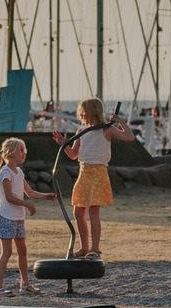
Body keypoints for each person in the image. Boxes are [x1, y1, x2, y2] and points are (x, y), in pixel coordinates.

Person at [53, 98, 135, 258]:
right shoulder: (81, 131)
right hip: (84, 172)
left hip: (98, 173)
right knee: (78, 212)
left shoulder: (107, 130)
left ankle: (95, 249)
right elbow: (74, 155)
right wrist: (63, 144)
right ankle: (84, 247)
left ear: (92, 112)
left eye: (83, 112)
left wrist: (119, 121)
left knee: (93, 212)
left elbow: (129, 137)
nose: (81, 115)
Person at [0, 137, 54, 295]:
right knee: (7, 252)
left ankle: (25, 284)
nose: (24, 153)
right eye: (21, 150)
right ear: (11, 152)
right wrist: (28, 205)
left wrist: (46, 196)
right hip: (6, 217)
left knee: (22, 251)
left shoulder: (19, 172)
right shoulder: (5, 172)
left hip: (18, 218)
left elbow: (29, 192)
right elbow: (9, 197)